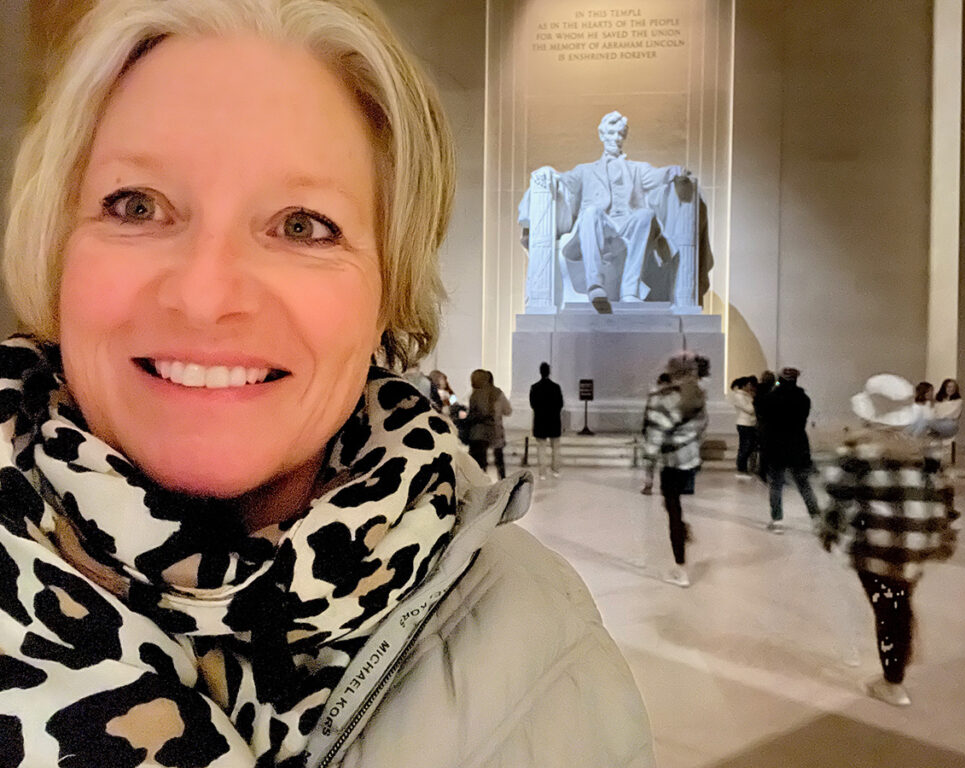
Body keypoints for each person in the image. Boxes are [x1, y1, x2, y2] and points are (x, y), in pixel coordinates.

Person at [0, 2, 655, 766]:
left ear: (388, 292)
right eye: (137, 206)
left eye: (303, 225)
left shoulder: (549, 674)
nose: (207, 297)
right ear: (56, 250)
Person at [821, 374, 958, 706]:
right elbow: (944, 493)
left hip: (878, 542)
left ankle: (893, 681)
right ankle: (901, 652)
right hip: (918, 540)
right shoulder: (923, 446)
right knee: (898, 600)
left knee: (888, 605)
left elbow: (839, 493)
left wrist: (830, 530)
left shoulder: (859, 446)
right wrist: (943, 535)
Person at [519, 111, 688, 313]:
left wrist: (676, 172)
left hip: (626, 227)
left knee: (645, 215)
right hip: (597, 225)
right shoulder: (585, 170)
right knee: (592, 212)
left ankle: (630, 291)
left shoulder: (637, 169)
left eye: (620, 134)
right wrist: (547, 171)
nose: (616, 139)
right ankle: (595, 286)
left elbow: (659, 175)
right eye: (611, 133)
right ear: (602, 135)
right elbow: (562, 180)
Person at [642, 353, 707, 587]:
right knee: (672, 505)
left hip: (671, 463)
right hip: (690, 461)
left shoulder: (665, 399)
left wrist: (648, 462)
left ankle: (681, 568)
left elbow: (656, 434)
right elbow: (701, 429)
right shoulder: (698, 396)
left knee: (673, 510)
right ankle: (683, 531)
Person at [758, 367, 820, 533]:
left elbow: (764, 421)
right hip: (798, 445)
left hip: (776, 446)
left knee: (776, 485)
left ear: (780, 379)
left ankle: (777, 520)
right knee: (804, 485)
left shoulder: (771, 398)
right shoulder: (804, 398)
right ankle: (816, 519)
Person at [466, 369, 513, 479]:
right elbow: (508, 411)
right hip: (495, 429)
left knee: (480, 461)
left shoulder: (475, 394)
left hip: (478, 432)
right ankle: (502, 479)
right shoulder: (497, 393)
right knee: (499, 458)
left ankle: (481, 480)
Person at [529, 362, 564, 479]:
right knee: (556, 448)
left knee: (541, 448)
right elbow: (560, 404)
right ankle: (556, 470)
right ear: (549, 372)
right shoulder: (556, 387)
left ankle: (542, 472)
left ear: (540, 372)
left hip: (540, 421)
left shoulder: (534, 387)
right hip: (554, 421)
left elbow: (532, 404)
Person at [730, 375, 758, 477]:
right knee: (745, 447)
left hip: (751, 423)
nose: (750, 387)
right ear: (743, 386)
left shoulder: (747, 395)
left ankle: (743, 466)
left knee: (749, 446)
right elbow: (750, 409)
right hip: (744, 423)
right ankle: (741, 467)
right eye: (748, 385)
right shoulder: (739, 396)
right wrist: (755, 401)